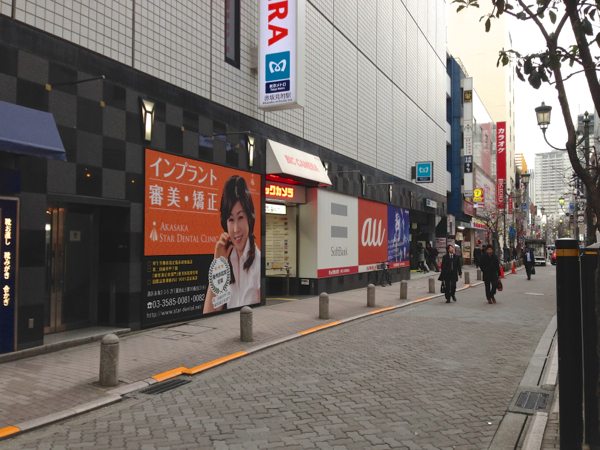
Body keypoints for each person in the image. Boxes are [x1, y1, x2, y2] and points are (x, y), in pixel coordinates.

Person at [203, 176, 261, 313]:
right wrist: (218, 262)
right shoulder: (228, 260)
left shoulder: (257, 261)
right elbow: (209, 313)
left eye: (240, 217)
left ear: (249, 219)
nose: (235, 229)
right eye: (230, 219)